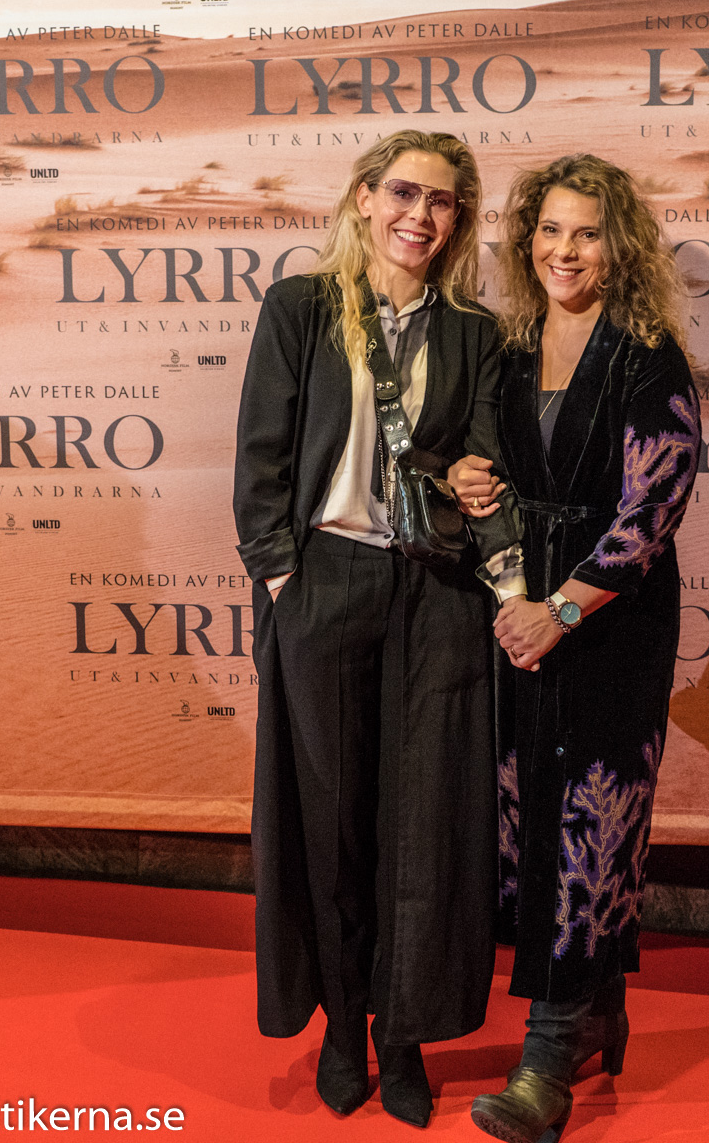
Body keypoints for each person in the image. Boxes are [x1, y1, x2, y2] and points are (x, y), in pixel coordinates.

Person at [233, 130, 523, 1129]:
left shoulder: (475, 333)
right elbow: (262, 457)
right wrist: (283, 579)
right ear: (364, 198)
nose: (419, 216)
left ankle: (403, 1037)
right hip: (326, 582)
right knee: (332, 822)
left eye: (441, 202)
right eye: (403, 193)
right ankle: (341, 1025)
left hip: (436, 594)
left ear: (459, 219)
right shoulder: (302, 308)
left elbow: (479, 460)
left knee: (425, 826)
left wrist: (473, 478)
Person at [455, 154, 701, 1143]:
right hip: (521, 613)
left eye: (587, 233)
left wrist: (559, 611)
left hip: (609, 625)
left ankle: (548, 1058)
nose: (565, 250)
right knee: (530, 820)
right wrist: (471, 479)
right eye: (550, 230)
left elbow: (655, 508)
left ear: (619, 246)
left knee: (593, 823)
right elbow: (493, 465)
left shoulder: (647, 355)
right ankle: (596, 1013)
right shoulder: (513, 347)